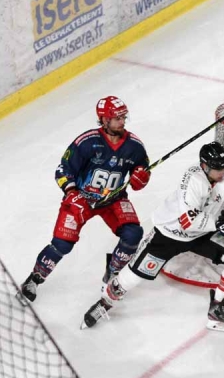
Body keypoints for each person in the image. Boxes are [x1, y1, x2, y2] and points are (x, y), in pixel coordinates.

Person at [80, 142, 224, 333]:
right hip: (170, 234)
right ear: (205, 166)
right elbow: (188, 220)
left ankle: (216, 310)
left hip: (203, 235)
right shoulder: (193, 178)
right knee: (134, 275)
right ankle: (106, 301)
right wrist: (221, 222)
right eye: (218, 168)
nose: (223, 172)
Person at [18, 96, 151, 304]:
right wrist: (73, 195)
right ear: (104, 120)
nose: (122, 122)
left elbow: (141, 171)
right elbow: (63, 170)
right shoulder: (87, 142)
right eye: (117, 118)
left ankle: (112, 274)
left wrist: (141, 177)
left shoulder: (134, 146)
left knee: (133, 234)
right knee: (61, 244)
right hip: (81, 201)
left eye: (123, 117)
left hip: (113, 200)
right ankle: (34, 278)